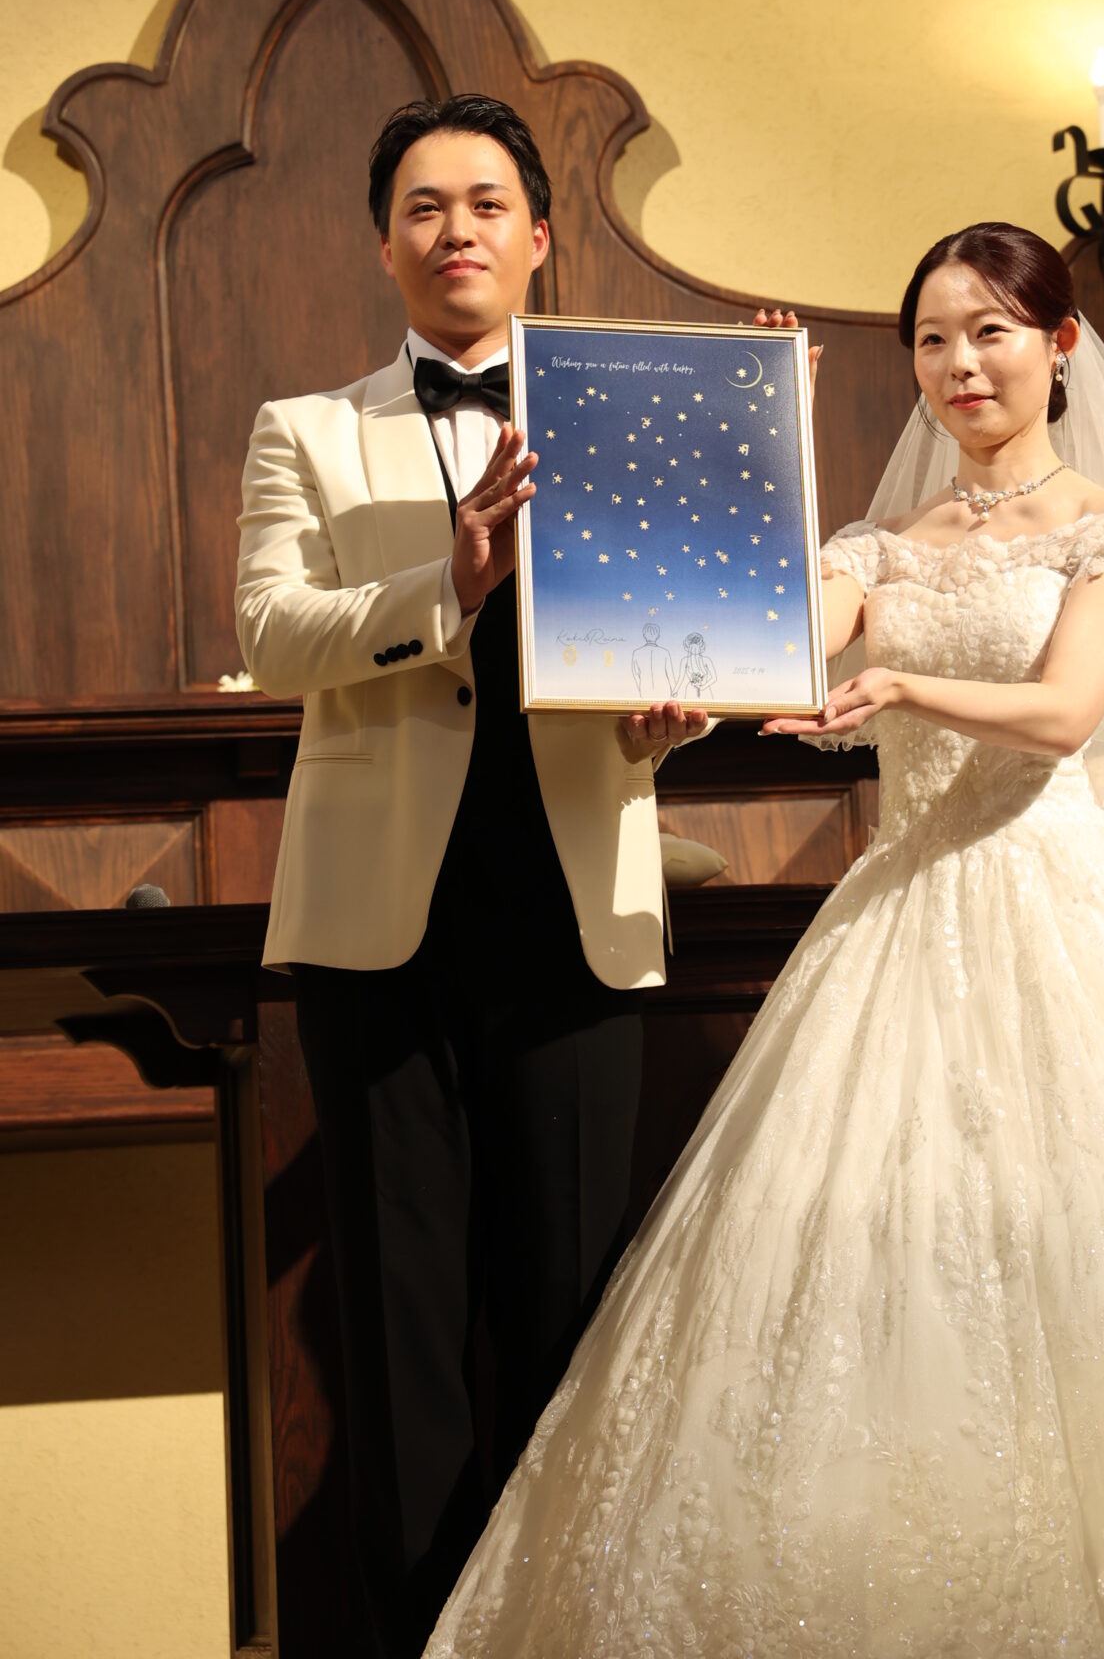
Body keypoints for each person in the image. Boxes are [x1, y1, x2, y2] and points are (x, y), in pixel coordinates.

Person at [423, 222, 1104, 1658]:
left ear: (1060, 347)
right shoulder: (876, 546)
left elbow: (1064, 713)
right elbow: (768, 638)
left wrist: (901, 682)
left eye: (990, 332)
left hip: (1069, 908)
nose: (960, 363)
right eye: (931, 339)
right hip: (900, 916)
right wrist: (687, 646)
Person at [234, 94, 711, 1659]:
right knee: (397, 1334)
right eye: (425, 207)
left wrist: (675, 714)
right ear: (384, 244)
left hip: (574, 909)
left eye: (487, 203)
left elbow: (682, 629)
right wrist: (446, 578)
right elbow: (270, 636)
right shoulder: (305, 429)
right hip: (379, 926)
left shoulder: (633, 414)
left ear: (540, 236)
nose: (457, 230)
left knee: (572, 1320)